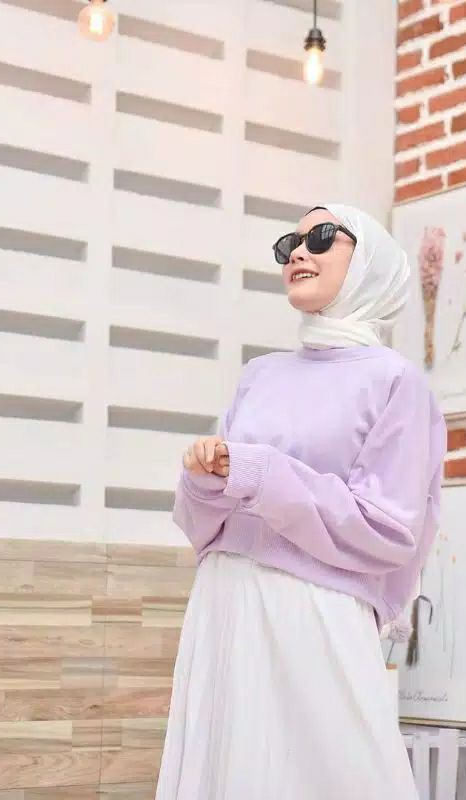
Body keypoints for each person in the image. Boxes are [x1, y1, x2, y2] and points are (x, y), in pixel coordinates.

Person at [156, 204, 447, 799]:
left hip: (312, 611)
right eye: (290, 243)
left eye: (320, 237)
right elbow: (202, 524)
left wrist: (260, 472)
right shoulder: (259, 375)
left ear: (368, 260)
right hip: (223, 604)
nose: (298, 253)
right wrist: (205, 479)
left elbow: (388, 529)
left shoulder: (395, 381)